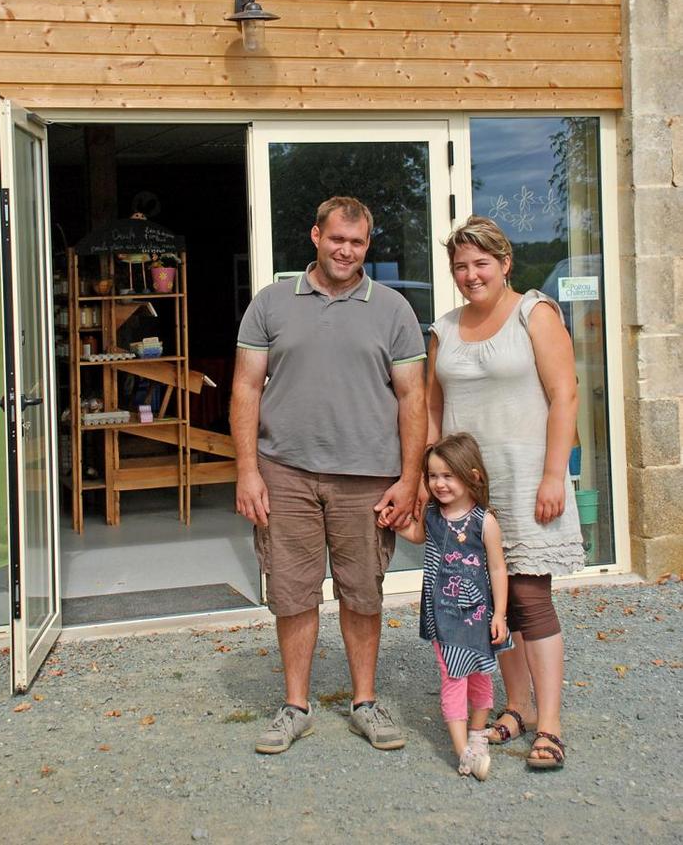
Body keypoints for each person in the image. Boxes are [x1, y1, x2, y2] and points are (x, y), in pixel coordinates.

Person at [230, 196, 427, 755]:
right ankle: (296, 705)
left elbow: (414, 398)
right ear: (316, 235)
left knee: (363, 592)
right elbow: (246, 388)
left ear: (368, 245)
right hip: (285, 472)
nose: (346, 250)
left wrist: (409, 479)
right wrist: (248, 471)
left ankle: (364, 701)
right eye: (337, 238)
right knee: (292, 593)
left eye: (357, 242)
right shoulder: (270, 303)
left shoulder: (392, 309)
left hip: (368, 477)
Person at [426, 216, 584, 771]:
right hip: (467, 491)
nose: (471, 275)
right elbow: (430, 410)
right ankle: (514, 707)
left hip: (526, 479)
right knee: (494, 605)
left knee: (530, 599)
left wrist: (553, 473)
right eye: (460, 266)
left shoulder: (534, 313)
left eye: (480, 264)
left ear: (505, 262)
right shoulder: (442, 329)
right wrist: (431, 482)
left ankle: (551, 725)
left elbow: (565, 395)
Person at [378, 433, 511, 781]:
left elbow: (498, 568)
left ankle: (477, 735)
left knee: (480, 674)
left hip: (480, 615)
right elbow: (419, 535)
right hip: (443, 614)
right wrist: (395, 523)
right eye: (433, 476)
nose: (439, 484)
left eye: (447, 476)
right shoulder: (434, 515)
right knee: (453, 677)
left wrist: (499, 614)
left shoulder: (485, 522)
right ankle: (461, 751)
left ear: (473, 476)